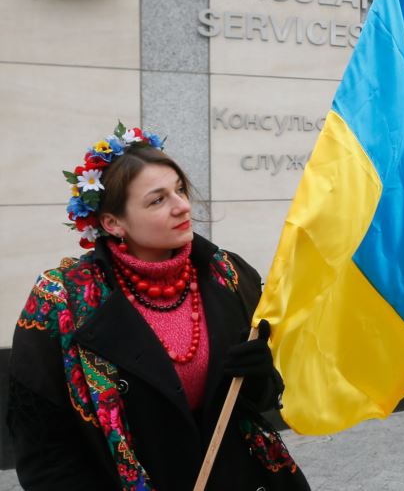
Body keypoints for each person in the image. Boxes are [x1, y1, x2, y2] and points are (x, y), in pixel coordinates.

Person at [7, 124, 310, 491]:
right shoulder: (61, 300)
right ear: (113, 223)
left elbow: (259, 398)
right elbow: (42, 444)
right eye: (157, 200)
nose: (182, 205)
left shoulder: (228, 273)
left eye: (180, 190)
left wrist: (261, 373)